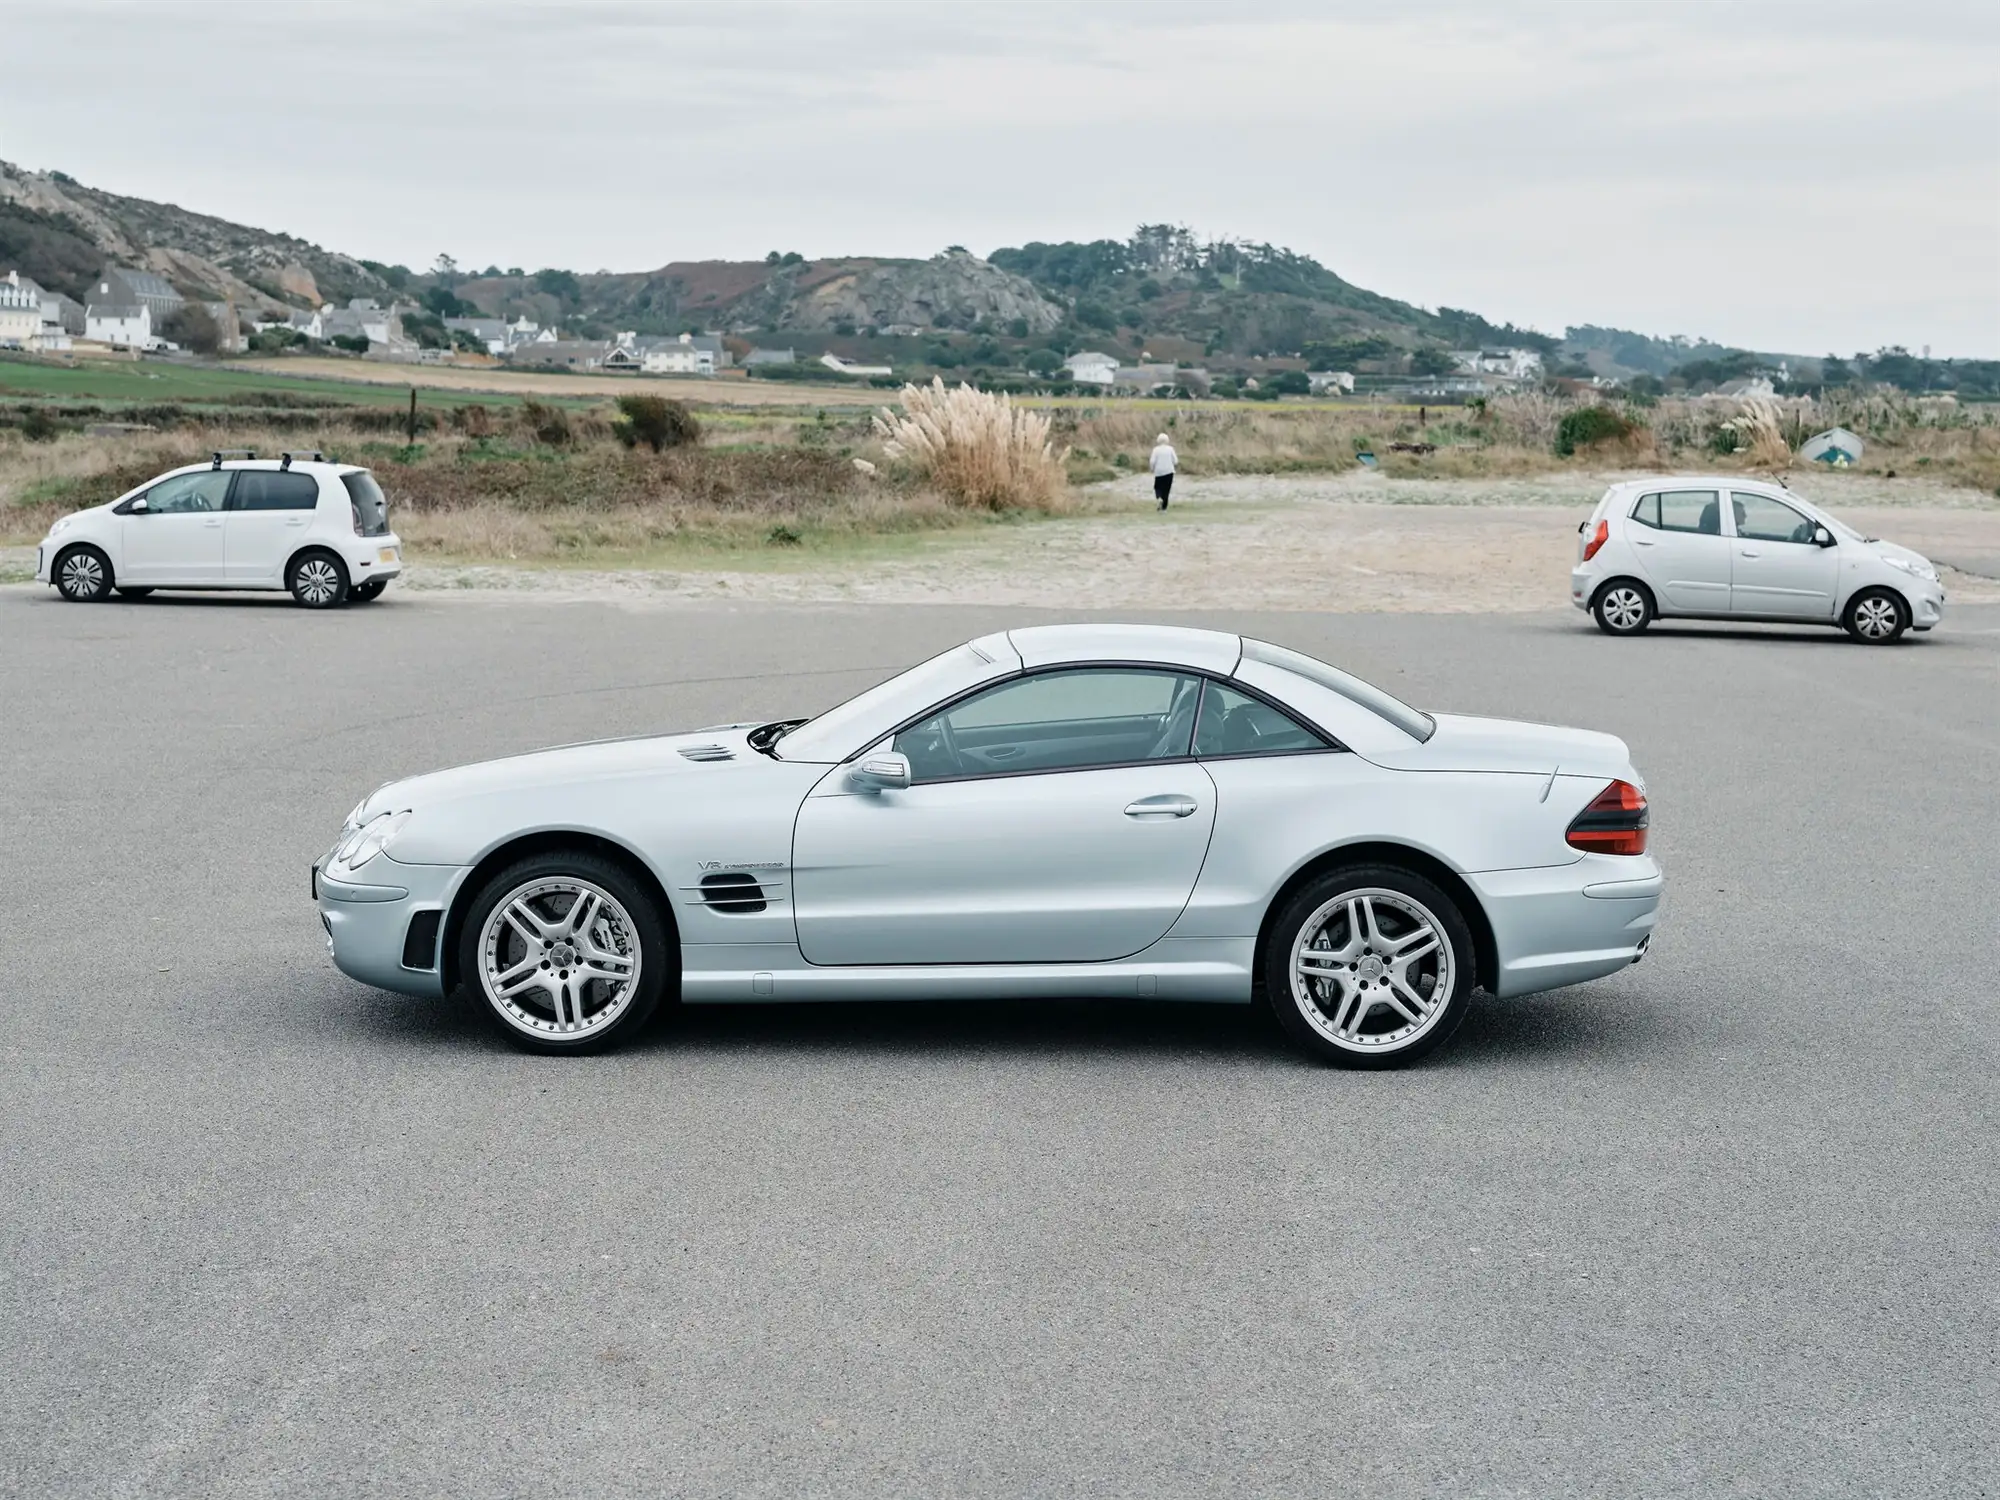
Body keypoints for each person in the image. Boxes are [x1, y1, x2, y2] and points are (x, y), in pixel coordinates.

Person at [1149, 432, 1178, 510]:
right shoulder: (1170, 449)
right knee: (1166, 489)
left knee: (1157, 487)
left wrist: (1152, 468)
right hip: (1169, 471)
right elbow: (1175, 461)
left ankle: (1159, 498)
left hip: (1159, 472)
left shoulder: (1155, 450)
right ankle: (1164, 507)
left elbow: (1152, 461)